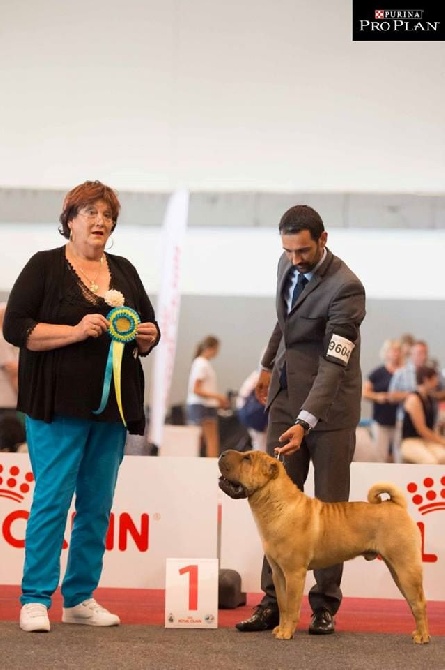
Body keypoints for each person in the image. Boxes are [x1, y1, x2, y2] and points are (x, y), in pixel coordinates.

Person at [3, 180, 160, 633]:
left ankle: (80, 597)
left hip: (112, 408)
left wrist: (148, 335)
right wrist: (75, 330)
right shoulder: (44, 267)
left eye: (107, 215)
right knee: (52, 500)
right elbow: (16, 328)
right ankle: (34, 599)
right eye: (90, 213)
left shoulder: (125, 270)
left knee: (97, 505)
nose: (100, 222)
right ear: (69, 219)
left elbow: (147, 324)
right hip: (55, 406)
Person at [236, 204, 366, 636]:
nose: (295, 259)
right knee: (272, 503)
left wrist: (306, 420)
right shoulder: (285, 263)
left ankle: (324, 605)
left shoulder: (347, 289)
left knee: (331, 513)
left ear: (323, 239)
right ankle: (271, 602)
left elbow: (334, 364)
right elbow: (284, 321)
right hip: (286, 398)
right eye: (288, 250)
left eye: (303, 250)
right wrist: (268, 365)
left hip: (329, 412)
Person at [186, 335, 230, 457]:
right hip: (203, 406)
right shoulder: (202, 364)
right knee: (212, 441)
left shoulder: (200, 363)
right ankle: (211, 467)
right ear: (212, 348)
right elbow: (196, 389)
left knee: (200, 440)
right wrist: (218, 397)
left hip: (201, 405)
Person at [362, 338, 402, 462]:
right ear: (386, 352)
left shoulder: (404, 373)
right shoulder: (377, 373)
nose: (395, 354)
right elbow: (365, 392)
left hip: (399, 420)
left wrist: (397, 396)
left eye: (397, 351)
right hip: (381, 419)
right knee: (380, 455)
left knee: (399, 454)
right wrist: (379, 397)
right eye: (392, 350)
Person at [400, 365, 445, 464]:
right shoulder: (414, 399)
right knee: (431, 461)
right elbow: (422, 430)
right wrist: (442, 441)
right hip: (410, 441)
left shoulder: (430, 398)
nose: (437, 382)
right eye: (434, 379)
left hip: (425, 441)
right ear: (426, 380)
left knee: (443, 457)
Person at [0, 302, 19, 416]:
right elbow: (11, 368)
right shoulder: (1, 339)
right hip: (5, 402)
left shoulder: (9, 340)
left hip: (9, 402)